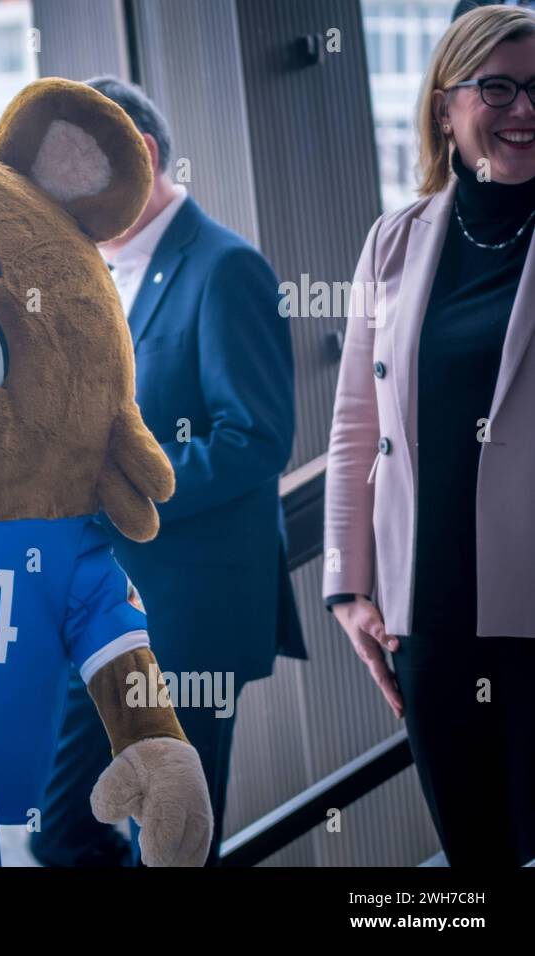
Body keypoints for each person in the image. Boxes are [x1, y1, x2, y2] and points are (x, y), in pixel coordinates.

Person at [31, 76, 303, 868]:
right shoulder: (96, 274)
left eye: (67, 171)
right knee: (62, 828)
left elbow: (254, 438)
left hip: (191, 613)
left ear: (141, 156)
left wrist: (118, 490)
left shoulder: (225, 267)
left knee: (175, 843)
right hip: (105, 614)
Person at [324, 4, 535, 866]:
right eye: (498, 87)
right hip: (430, 621)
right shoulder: (394, 241)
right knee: (474, 858)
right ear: (446, 107)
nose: (524, 108)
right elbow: (351, 430)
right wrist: (349, 590)